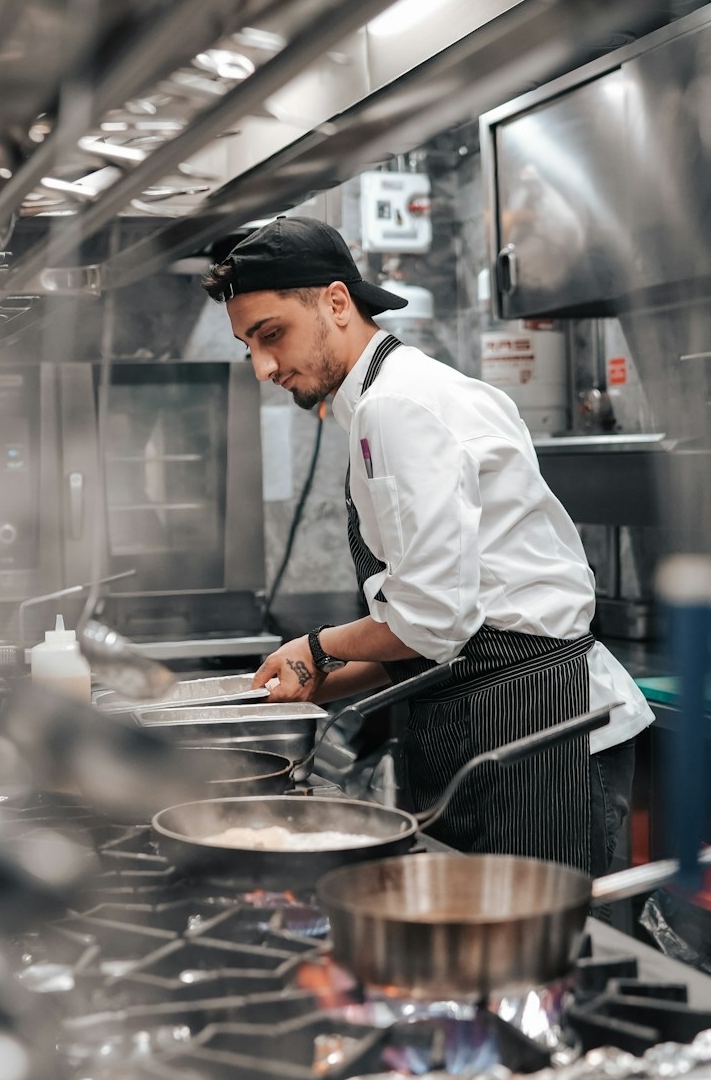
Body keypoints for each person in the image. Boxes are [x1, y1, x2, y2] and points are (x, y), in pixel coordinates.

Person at [206, 217, 652, 874]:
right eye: (249, 346)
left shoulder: (397, 406)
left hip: (539, 730)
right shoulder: (395, 397)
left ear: (336, 302)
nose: (263, 367)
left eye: (272, 334)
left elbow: (429, 619)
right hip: (503, 717)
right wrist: (311, 683)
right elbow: (438, 631)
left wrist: (318, 648)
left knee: (541, 961)